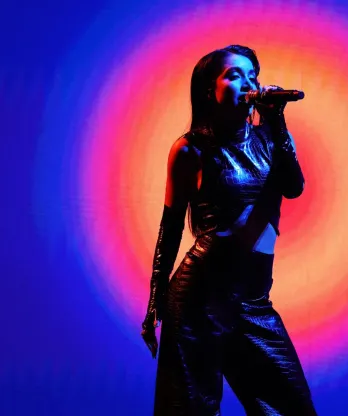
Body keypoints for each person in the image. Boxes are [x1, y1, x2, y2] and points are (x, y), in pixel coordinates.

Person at [140, 44, 317, 415]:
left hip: (253, 301)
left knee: (290, 408)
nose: (248, 83)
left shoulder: (273, 139)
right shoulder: (191, 150)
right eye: (234, 75)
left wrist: (277, 120)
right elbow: (170, 228)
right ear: (210, 89)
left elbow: (294, 186)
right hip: (198, 301)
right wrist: (155, 301)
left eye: (253, 75)